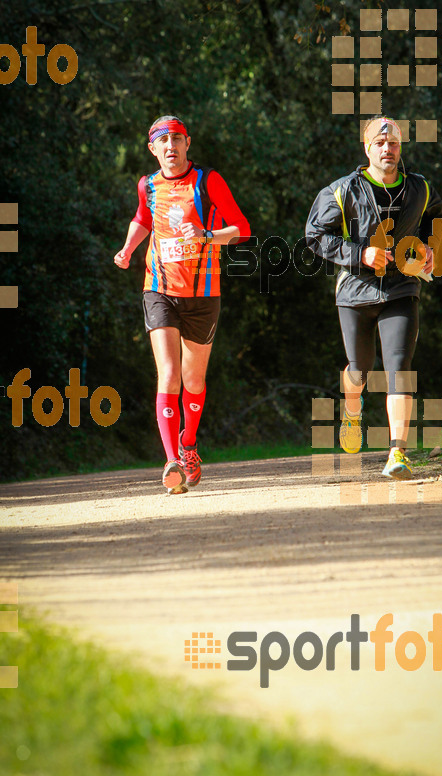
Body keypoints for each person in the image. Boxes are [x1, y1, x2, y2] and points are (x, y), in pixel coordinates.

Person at [114, 115, 250, 494]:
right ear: (152, 149)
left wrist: (207, 235)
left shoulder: (208, 181)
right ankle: (172, 457)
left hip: (204, 293)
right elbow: (143, 217)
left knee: (193, 380)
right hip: (158, 288)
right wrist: (128, 249)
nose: (170, 146)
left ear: (187, 143)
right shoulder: (148, 185)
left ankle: (189, 444)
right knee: (169, 374)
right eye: (163, 141)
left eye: (176, 139)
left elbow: (242, 228)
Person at [305, 116, 442, 479]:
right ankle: (353, 409)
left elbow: (435, 217)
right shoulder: (342, 190)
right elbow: (315, 234)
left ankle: (397, 452)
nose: (387, 149)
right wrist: (360, 254)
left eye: (394, 143)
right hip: (354, 293)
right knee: (359, 370)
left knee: (399, 368)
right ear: (367, 148)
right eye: (380, 144)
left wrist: (431, 246)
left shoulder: (421, 188)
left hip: (401, 288)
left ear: (401, 148)